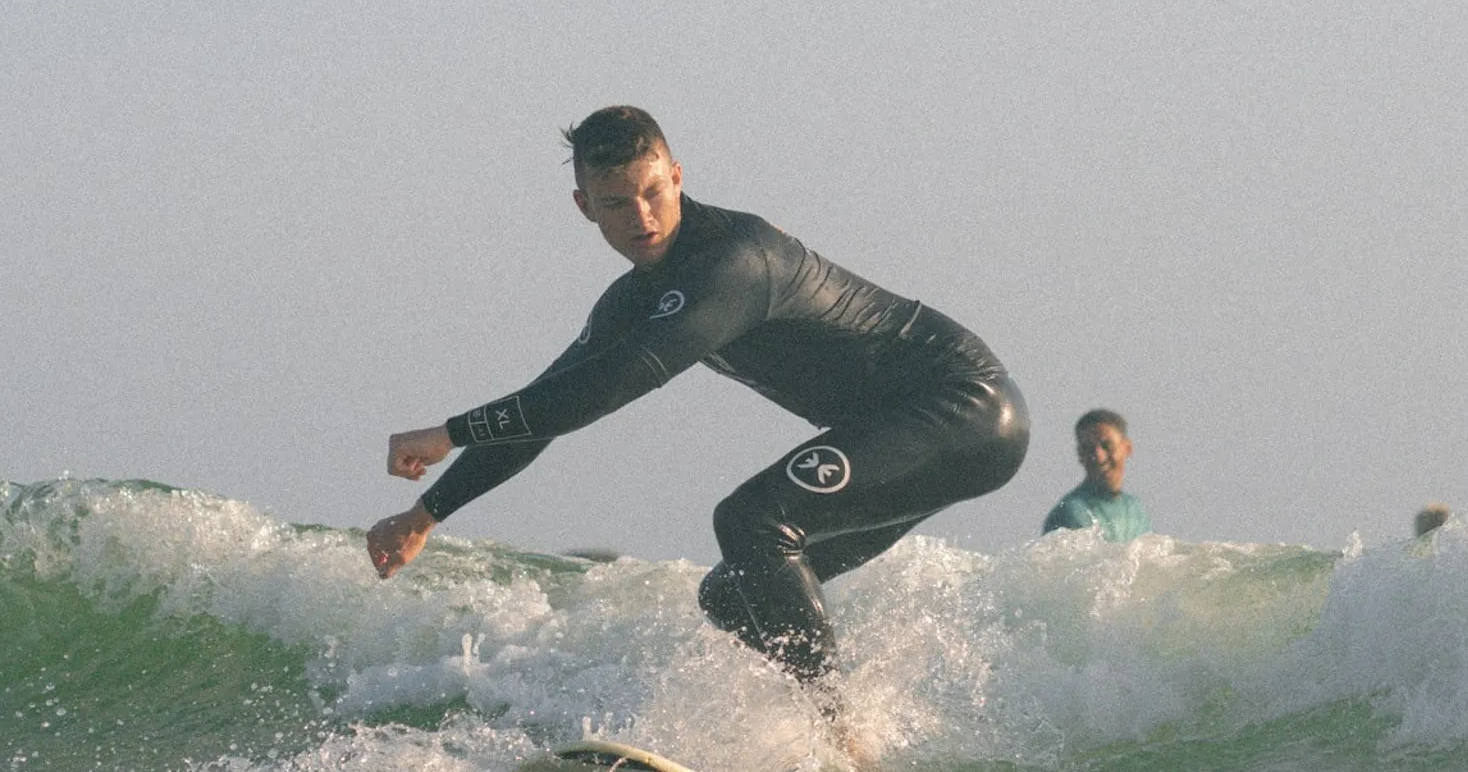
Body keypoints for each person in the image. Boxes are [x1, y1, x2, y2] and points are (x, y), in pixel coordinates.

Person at [369, 106, 1029, 686]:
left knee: (751, 521)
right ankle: (813, 731)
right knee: (733, 594)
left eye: (654, 192)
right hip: (903, 433)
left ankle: (840, 731)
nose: (643, 217)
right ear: (584, 206)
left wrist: (451, 431)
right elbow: (548, 410)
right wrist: (426, 515)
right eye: (617, 203)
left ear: (678, 175)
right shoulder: (634, 301)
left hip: (963, 408)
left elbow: (613, 384)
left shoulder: (734, 264)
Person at [1040, 408, 1150, 541]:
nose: (1099, 456)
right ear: (1080, 455)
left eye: (1107, 446)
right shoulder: (1069, 512)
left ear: (1127, 448)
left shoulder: (1136, 510)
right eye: (1088, 448)